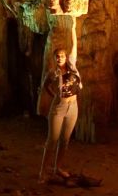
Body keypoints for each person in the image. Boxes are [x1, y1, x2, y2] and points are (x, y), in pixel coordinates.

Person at [37, 43, 82, 182]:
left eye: (62, 56)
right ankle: (43, 172)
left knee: (65, 140)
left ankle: (58, 167)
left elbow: (74, 46)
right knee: (52, 140)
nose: (60, 58)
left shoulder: (72, 67)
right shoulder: (52, 73)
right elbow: (45, 85)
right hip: (59, 107)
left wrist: (74, 26)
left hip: (73, 106)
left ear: (66, 57)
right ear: (54, 59)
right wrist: (55, 95)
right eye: (57, 57)